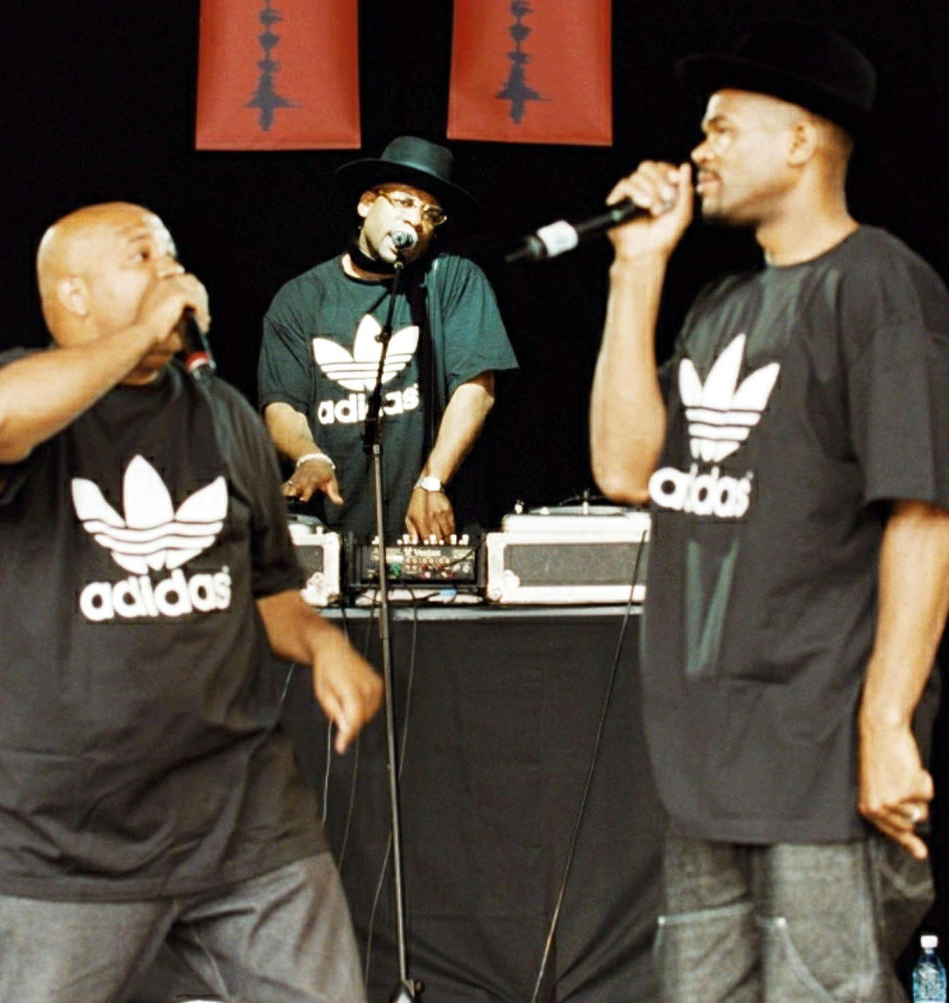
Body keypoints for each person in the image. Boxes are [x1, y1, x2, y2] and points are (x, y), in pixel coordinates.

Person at [589, 20, 949, 1002]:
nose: (696, 152)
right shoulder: (718, 308)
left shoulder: (880, 285)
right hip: (706, 762)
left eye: (720, 129)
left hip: (818, 756)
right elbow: (626, 468)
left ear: (799, 142)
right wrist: (638, 269)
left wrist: (887, 722)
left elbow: (925, 518)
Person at [0, 202, 384, 1002]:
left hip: (243, 815)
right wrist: (136, 337)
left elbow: (268, 587)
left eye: (174, 255)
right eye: (143, 257)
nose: (173, 272)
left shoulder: (226, 414)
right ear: (73, 296)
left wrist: (323, 644)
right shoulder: (28, 399)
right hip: (67, 838)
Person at [258, 135, 518, 543]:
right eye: (405, 203)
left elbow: (476, 389)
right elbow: (281, 404)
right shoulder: (301, 298)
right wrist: (309, 456)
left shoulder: (452, 279)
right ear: (366, 204)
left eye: (431, 214)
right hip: (332, 532)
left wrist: (432, 482)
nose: (416, 221)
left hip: (432, 532)